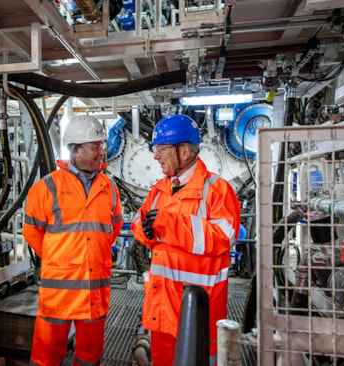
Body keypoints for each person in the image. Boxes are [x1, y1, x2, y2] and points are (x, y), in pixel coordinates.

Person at [130, 114, 241, 366]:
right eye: (154, 149)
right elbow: (140, 221)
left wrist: (168, 224)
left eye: (161, 148)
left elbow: (224, 238)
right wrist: (144, 231)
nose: (156, 156)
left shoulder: (217, 189)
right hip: (161, 305)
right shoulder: (159, 189)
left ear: (185, 150)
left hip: (197, 309)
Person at [23, 114, 124, 366]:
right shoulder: (47, 187)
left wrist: (91, 255)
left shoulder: (109, 188)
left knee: (90, 358)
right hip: (59, 293)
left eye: (101, 145)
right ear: (75, 150)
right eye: (94, 147)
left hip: (94, 291)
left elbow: (113, 228)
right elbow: (32, 233)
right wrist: (61, 259)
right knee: (46, 358)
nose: (102, 152)